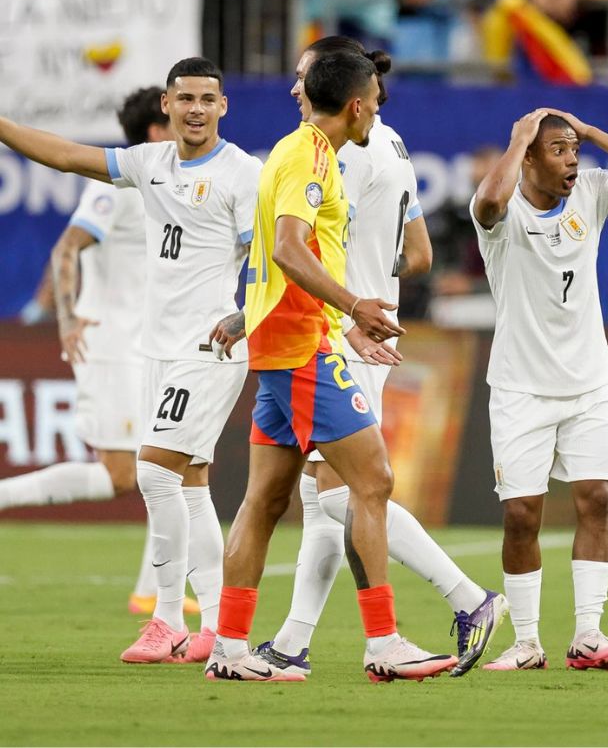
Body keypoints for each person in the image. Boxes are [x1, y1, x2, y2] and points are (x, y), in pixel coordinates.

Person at [255, 36, 507, 680]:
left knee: (348, 496)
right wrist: (376, 281)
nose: (296, 91)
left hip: (338, 329)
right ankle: (292, 641)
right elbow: (419, 255)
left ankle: (466, 597)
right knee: (323, 498)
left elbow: (296, 246)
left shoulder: (335, 156)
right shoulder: (392, 143)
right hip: (368, 323)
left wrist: (349, 298)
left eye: (304, 78)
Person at [203, 51, 457, 684]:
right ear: (354, 104)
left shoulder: (294, 154)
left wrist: (270, 317)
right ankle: (384, 642)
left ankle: (231, 649)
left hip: (281, 339)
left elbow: (277, 248)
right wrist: (353, 308)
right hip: (300, 344)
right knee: (370, 483)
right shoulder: (311, 155)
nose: (378, 107)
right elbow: (288, 248)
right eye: (374, 98)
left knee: (264, 500)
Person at [0, 58, 261, 666]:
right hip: (156, 348)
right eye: (185, 98)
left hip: (211, 345)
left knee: (152, 473)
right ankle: (219, 627)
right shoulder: (149, 164)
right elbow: (66, 155)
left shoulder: (242, 173)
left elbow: (266, 257)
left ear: (224, 107)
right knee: (191, 485)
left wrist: (244, 315)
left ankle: (166, 618)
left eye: (208, 98)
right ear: (166, 107)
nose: (196, 108)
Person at [470, 108, 608, 671]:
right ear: (528, 157)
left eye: (573, 150)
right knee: (522, 515)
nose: (572, 161)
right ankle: (527, 642)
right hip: (519, 388)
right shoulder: (500, 209)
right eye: (557, 151)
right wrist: (518, 138)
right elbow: (486, 202)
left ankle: (588, 634)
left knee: (598, 500)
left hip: (589, 384)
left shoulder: (591, 192)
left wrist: (595, 134)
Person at [0, 87, 203, 618]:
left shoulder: (172, 186)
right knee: (125, 475)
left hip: (150, 345)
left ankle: (151, 593)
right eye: (174, 114)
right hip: (110, 343)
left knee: (167, 467)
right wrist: (66, 320)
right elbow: (66, 246)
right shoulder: (118, 186)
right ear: (156, 131)